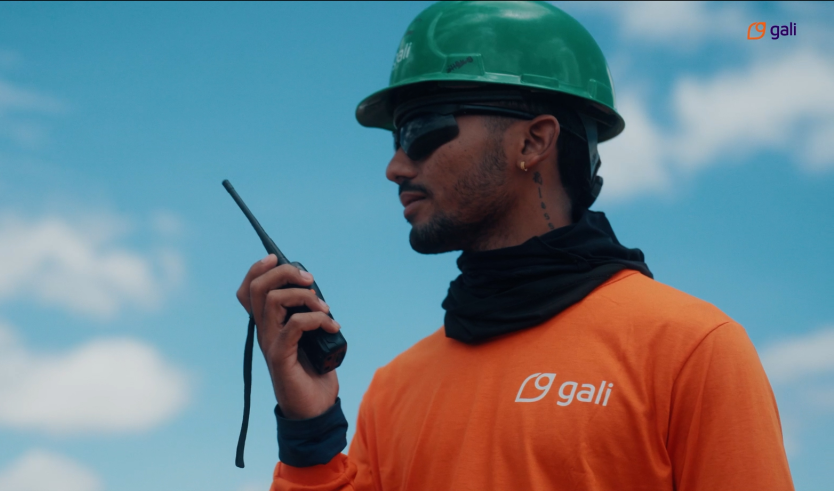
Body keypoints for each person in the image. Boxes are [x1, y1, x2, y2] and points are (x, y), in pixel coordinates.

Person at [235, 2, 794, 490]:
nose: (396, 166)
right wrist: (311, 432)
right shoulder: (393, 390)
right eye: (395, 138)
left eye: (420, 130)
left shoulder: (691, 351)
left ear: (533, 141)